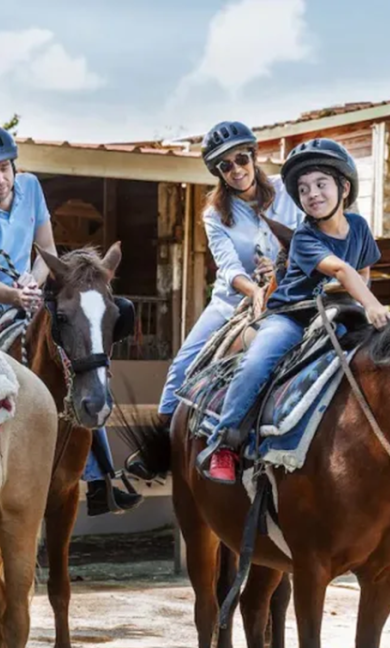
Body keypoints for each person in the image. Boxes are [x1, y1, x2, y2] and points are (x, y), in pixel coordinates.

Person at [0, 124, 141, 516]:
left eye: (4, 168)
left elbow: (47, 248)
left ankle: (101, 476)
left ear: (15, 166)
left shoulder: (31, 187)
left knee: (77, 362)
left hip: (25, 296)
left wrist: (31, 284)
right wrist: (16, 294)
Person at [198, 137, 390, 484]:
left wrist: (365, 304)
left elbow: (362, 269)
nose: (313, 194)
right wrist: (373, 306)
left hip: (339, 312)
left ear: (343, 187)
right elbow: (342, 270)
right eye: (303, 189)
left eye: (321, 184)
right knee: (257, 362)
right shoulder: (305, 237)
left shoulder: (360, 228)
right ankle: (224, 443)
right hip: (294, 314)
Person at [127, 121, 302, 482]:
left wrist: (281, 272)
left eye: (241, 159)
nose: (237, 170)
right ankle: (159, 447)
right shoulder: (214, 214)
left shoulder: (288, 191)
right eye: (225, 165)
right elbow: (227, 267)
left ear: (253, 156)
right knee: (183, 364)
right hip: (233, 300)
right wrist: (254, 291)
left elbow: (306, 241)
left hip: (290, 294)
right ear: (217, 172)